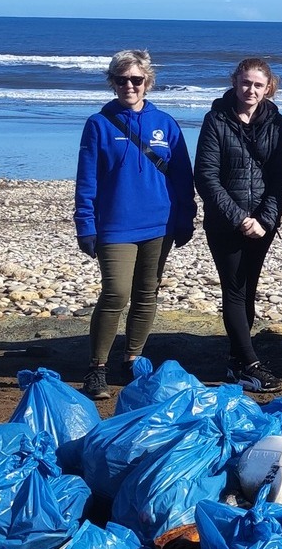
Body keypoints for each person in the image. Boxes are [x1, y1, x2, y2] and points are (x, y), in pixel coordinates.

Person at [74, 49, 196, 401]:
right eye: (122, 79)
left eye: (136, 80)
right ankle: (97, 367)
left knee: (146, 293)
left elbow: (182, 176)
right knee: (116, 292)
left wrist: (186, 217)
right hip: (114, 226)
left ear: (148, 82)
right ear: (112, 82)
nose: (129, 85)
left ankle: (133, 360)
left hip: (160, 223)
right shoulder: (98, 124)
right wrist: (85, 224)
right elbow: (86, 179)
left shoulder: (166, 124)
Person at [193, 58, 282, 392]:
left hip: (263, 224)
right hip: (225, 224)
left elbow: (281, 177)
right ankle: (250, 364)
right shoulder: (215, 120)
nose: (251, 90)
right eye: (245, 83)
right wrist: (238, 218)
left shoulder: (279, 124)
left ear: (268, 88)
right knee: (234, 289)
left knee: (249, 288)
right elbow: (206, 176)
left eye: (258, 85)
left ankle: (237, 363)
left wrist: (265, 219)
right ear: (235, 82)